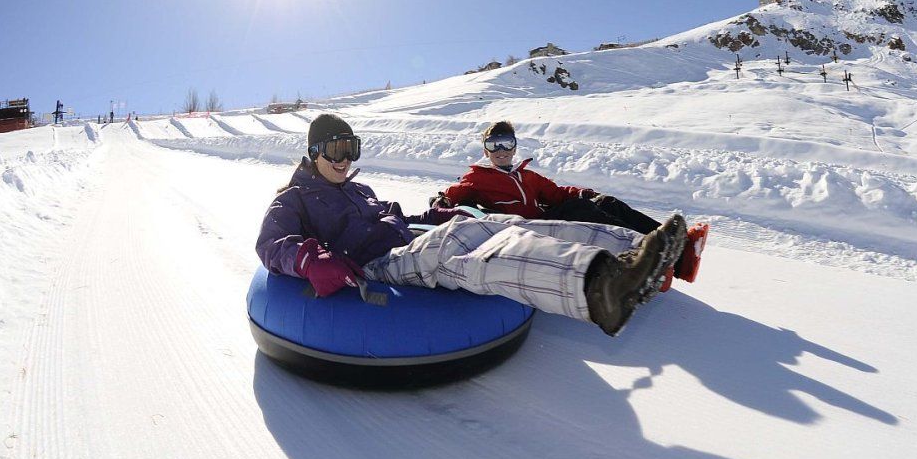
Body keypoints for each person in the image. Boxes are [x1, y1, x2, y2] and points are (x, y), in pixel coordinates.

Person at [256, 114, 686, 336]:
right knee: (455, 247)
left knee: (502, 223)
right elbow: (272, 243)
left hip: (402, 244)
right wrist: (311, 258)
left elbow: (398, 218)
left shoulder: (358, 188)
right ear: (314, 151)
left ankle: (637, 250)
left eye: (351, 149)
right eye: (335, 150)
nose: (345, 160)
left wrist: (438, 215)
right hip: (374, 265)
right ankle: (599, 286)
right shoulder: (293, 198)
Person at [434, 121, 708, 285]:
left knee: (605, 202)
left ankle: (677, 244)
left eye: (506, 143)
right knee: (580, 209)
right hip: (524, 230)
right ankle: (649, 252)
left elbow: (556, 193)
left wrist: (584, 193)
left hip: (544, 219)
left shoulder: (526, 175)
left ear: (515, 147)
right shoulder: (477, 177)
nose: (501, 151)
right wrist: (442, 199)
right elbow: (454, 194)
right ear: (485, 151)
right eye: (494, 145)